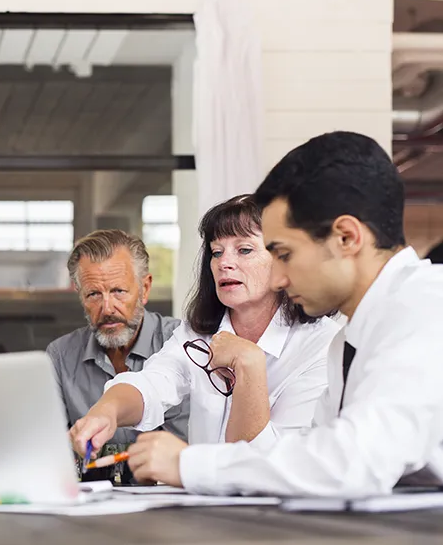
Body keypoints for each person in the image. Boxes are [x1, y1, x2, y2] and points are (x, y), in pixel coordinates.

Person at [111, 131, 443, 497]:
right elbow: (313, 456)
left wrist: (190, 464)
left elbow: (353, 460)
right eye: (218, 253)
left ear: (347, 238)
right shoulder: (348, 341)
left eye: (284, 254)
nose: (280, 278)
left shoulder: (427, 305)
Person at [70, 195, 339, 467]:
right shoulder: (197, 333)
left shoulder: (322, 346)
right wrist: (107, 411)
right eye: (217, 251)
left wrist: (249, 362)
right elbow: (154, 382)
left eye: (244, 250)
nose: (224, 263)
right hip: (203, 503)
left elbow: (262, 463)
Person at [46, 229, 188, 483]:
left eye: (118, 291)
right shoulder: (60, 356)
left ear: (144, 289)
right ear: (80, 295)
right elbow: (48, 452)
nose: (107, 308)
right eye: (93, 295)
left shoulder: (181, 343)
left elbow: (188, 447)